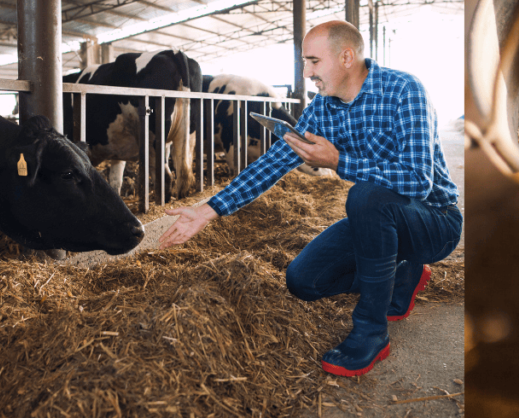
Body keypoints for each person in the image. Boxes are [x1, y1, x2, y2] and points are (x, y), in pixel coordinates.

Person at [158, 20, 462, 377]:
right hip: (378, 221)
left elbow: (418, 182)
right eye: (305, 62)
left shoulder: (403, 90)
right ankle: (400, 274)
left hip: (434, 221)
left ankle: (371, 331)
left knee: (365, 197)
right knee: (304, 280)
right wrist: (208, 210)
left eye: (314, 62)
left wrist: (339, 162)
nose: (307, 73)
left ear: (347, 57)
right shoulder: (323, 109)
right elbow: (273, 164)